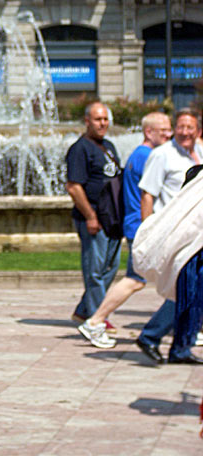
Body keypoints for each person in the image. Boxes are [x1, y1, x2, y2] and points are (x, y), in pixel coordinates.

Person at [77, 112, 172, 349]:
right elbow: (147, 196)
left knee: (175, 278)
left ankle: (185, 328)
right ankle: (95, 321)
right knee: (136, 279)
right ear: (149, 132)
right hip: (143, 227)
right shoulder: (148, 156)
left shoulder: (142, 155)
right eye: (164, 131)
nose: (170, 135)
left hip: (140, 226)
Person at [135, 108, 203, 364]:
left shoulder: (198, 153)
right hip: (173, 235)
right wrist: (149, 230)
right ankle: (152, 336)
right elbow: (147, 194)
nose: (185, 132)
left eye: (191, 127)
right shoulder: (161, 155)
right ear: (175, 128)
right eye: (181, 126)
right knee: (185, 290)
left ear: (198, 131)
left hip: (197, 237)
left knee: (194, 292)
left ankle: (180, 347)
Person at [65, 101, 122, 328]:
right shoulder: (79, 149)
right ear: (87, 121)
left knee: (112, 267)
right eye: (98, 119)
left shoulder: (108, 146)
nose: (103, 124)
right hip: (93, 218)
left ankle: (83, 310)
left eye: (105, 119)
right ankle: (98, 318)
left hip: (112, 218)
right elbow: (74, 186)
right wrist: (90, 216)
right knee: (95, 271)